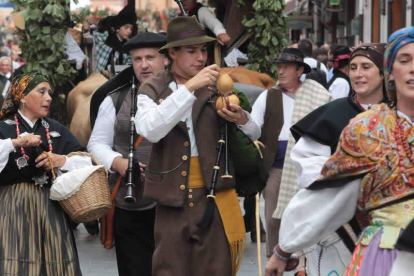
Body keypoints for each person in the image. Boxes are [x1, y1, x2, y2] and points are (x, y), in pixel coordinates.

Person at [265, 26, 414, 276]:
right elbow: (328, 195)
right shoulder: (367, 129)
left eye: (366, 67)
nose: (413, 68)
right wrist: (285, 247)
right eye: (404, 60)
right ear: (390, 72)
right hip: (389, 255)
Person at [135, 16, 260, 276]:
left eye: (203, 50)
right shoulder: (152, 88)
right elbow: (150, 130)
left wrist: (241, 119)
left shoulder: (219, 86)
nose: (201, 57)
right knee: (168, 270)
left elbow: (255, 132)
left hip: (213, 196)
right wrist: (189, 87)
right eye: (192, 51)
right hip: (170, 200)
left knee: (216, 270)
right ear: (172, 53)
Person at [284, 43, 387, 275]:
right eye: (353, 67)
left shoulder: (400, 115)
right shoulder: (333, 113)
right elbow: (306, 165)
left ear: (383, 73)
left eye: (366, 67)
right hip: (336, 229)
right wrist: (347, 175)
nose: (358, 74)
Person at [87, 32, 168, 276]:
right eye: (137, 59)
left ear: (166, 59)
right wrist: (118, 162)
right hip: (129, 203)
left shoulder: (180, 95)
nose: (144, 64)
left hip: (173, 205)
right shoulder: (115, 98)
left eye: (151, 57)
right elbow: (97, 142)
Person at [0, 72, 92, 275]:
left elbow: (88, 161)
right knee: (15, 262)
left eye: (49, 92)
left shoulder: (55, 130)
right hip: (13, 208)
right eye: (41, 91)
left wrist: (61, 160)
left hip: (51, 207)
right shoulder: (4, 128)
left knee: (55, 263)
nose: (48, 97)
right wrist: (15, 143)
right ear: (22, 96)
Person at [250, 47, 332, 259]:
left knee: (306, 216)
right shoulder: (268, 97)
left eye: (286, 67)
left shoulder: (317, 95)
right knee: (272, 217)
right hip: (276, 166)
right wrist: (241, 120)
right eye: (279, 67)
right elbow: (253, 127)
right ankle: (274, 259)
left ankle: (304, 262)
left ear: (299, 71)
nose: (281, 71)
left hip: (308, 165)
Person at [94, 4, 136, 72]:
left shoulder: (129, 47)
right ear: (117, 29)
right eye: (126, 28)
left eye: (131, 29)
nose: (129, 31)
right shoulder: (106, 39)